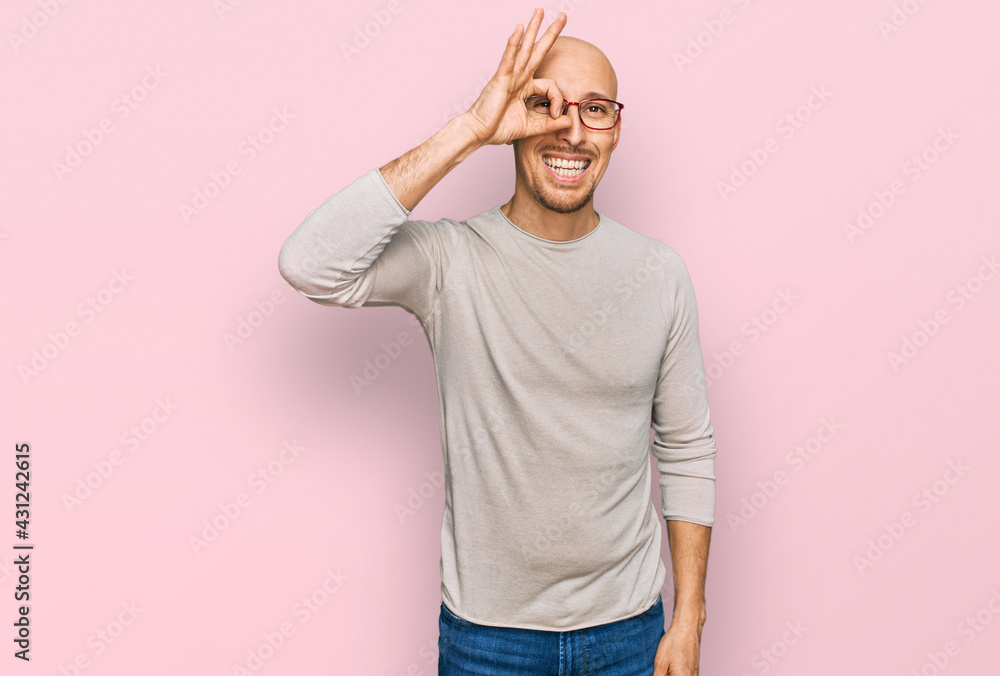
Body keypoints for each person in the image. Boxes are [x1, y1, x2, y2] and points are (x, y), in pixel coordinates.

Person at [278, 8, 717, 675]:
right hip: (489, 643)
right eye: (547, 106)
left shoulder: (659, 274)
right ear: (515, 114)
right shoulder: (451, 261)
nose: (572, 131)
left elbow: (687, 449)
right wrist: (469, 130)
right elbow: (310, 264)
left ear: (616, 128)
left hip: (629, 633)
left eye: (595, 109)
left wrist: (688, 619)